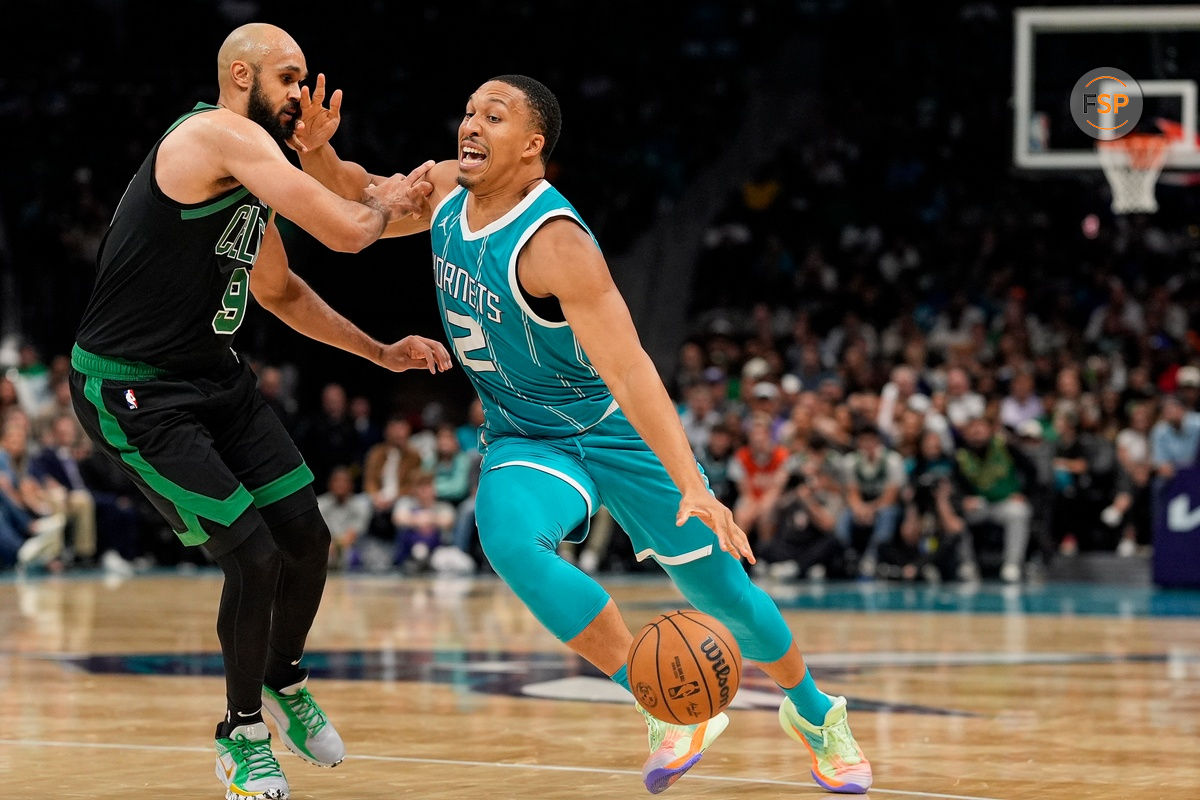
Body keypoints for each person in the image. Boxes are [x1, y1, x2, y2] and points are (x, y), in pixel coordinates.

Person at [295, 74, 871, 794]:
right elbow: (361, 195)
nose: (471, 125)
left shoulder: (557, 243)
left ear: (532, 144)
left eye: (494, 116)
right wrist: (318, 152)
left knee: (723, 592)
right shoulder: (444, 190)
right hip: (524, 437)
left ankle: (817, 715)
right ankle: (662, 701)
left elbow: (631, 370)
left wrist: (696, 485)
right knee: (506, 540)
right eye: (470, 111)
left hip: (611, 429)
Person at [66, 23, 452, 800]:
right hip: (135, 391)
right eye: (290, 78)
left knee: (308, 538)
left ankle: (283, 679)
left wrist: (379, 350)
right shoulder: (216, 137)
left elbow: (277, 291)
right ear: (241, 75)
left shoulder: (253, 173)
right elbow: (348, 231)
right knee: (252, 554)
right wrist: (383, 197)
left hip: (214, 376)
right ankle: (241, 738)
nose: (302, 95)